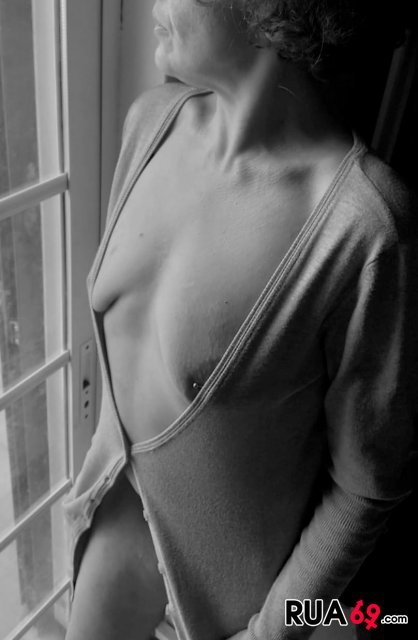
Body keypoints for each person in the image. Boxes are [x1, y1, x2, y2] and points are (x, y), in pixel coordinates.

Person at [63, 2, 418, 639]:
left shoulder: (365, 227)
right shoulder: (150, 123)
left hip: (260, 613)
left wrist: (271, 634)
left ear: (270, 9)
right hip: (111, 557)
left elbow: (368, 489)